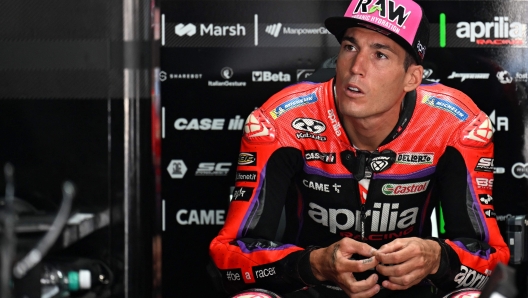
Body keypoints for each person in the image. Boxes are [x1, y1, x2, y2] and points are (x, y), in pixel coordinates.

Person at [209, 0, 510, 297]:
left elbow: (493, 264)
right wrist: (314, 264)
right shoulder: (281, 121)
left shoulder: (456, 125)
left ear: (411, 78)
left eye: (380, 54)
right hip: (313, 290)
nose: (356, 68)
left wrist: (436, 258)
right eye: (350, 47)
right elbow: (227, 262)